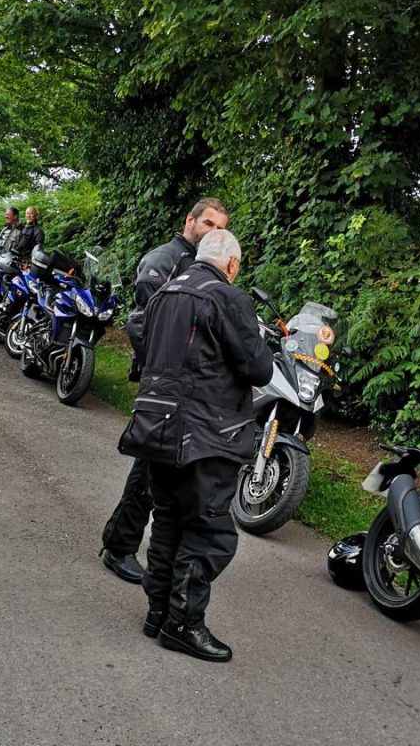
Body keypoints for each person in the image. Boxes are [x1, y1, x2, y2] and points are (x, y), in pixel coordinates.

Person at [118, 229, 272, 662]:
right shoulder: (227, 297)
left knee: (168, 521)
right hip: (207, 433)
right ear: (232, 265)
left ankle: (159, 614)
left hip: (156, 426)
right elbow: (257, 368)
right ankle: (184, 624)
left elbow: (141, 339)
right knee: (207, 532)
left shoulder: (165, 291)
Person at [99, 198, 230, 584]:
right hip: (163, 389)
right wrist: (165, 374)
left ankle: (123, 542)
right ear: (189, 220)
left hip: (186, 390)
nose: (213, 231)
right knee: (150, 470)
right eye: (208, 223)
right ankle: (120, 546)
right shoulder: (164, 259)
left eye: (220, 227)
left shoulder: (208, 267)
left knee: (157, 469)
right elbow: (141, 324)